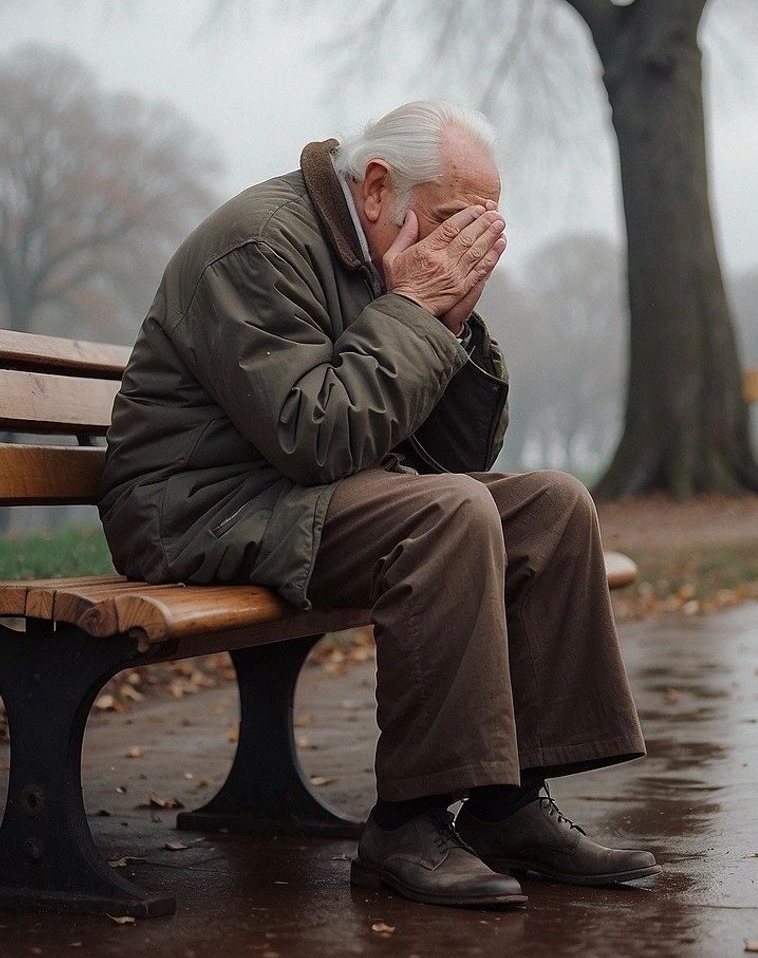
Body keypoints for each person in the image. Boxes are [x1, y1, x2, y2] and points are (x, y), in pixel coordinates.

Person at [98, 99, 657, 910]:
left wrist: (453, 329)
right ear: (377, 189)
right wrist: (408, 314)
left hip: (297, 491)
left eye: (483, 231)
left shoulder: (386, 248)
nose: (465, 249)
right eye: (456, 222)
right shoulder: (261, 246)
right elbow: (315, 436)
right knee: (451, 516)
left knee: (554, 507)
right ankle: (408, 822)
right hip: (198, 508)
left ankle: (510, 805)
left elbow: (454, 458)